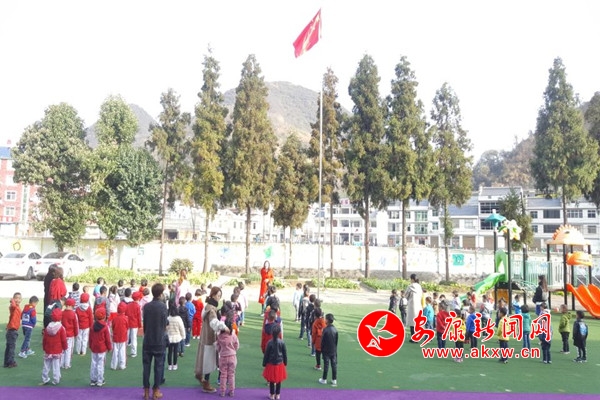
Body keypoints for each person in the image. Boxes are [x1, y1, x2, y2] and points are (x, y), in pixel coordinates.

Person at [194, 286, 228, 393]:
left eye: (220, 296)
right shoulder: (211, 309)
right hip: (209, 337)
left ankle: (200, 375)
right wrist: (224, 327)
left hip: (205, 335)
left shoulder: (207, 306)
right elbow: (214, 322)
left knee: (204, 358)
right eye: (218, 295)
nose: (219, 298)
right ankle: (206, 383)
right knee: (208, 360)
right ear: (213, 295)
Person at [142, 283, 168, 400]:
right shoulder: (163, 307)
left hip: (148, 339)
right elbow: (164, 324)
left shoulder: (146, 307)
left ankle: (146, 391)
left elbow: (145, 324)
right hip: (159, 340)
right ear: (161, 293)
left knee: (146, 367)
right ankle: (156, 390)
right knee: (158, 366)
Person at [216, 309, 239, 397]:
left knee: (223, 374)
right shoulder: (233, 335)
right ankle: (232, 391)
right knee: (231, 374)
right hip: (232, 356)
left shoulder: (219, 336)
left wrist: (220, 351)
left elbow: (218, 347)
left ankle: (222, 391)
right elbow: (237, 344)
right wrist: (234, 350)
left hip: (223, 356)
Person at [41, 308, 67, 385]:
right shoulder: (61, 328)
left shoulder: (47, 327)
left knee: (46, 365)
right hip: (57, 350)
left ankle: (45, 378)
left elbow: (44, 339)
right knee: (56, 365)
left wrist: (44, 347)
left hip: (48, 349)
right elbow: (63, 340)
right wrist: (65, 347)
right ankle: (56, 379)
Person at [262, 324, 287, 400]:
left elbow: (266, 354)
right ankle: (278, 394)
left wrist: (264, 363)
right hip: (279, 363)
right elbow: (284, 353)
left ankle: (272, 394)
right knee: (279, 380)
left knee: (271, 380)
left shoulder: (269, 342)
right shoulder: (282, 342)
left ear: (272, 333)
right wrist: (285, 362)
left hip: (271, 363)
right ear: (279, 333)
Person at [89, 307, 112, 386]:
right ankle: (100, 380)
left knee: (93, 364)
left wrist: (90, 345)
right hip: (102, 348)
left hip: (94, 348)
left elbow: (90, 337)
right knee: (100, 365)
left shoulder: (92, 326)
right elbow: (107, 339)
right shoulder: (105, 327)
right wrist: (109, 347)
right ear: (104, 316)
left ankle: (93, 379)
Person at [319, 313, 338, 387]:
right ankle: (334, 379)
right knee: (334, 365)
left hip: (326, 350)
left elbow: (322, 341)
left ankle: (324, 379)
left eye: (325, 319)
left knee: (326, 365)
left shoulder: (325, 330)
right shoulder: (335, 330)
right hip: (333, 350)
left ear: (327, 320)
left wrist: (322, 349)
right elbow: (336, 342)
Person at [166, 300, 185, 371]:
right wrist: (183, 336)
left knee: (169, 352)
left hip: (169, 337)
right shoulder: (178, 319)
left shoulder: (168, 318)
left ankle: (169, 365)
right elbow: (182, 328)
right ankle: (174, 364)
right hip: (177, 337)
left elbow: (166, 328)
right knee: (175, 351)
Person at [4, 292, 22, 368]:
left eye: (19, 298)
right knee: (11, 347)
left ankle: (6, 362)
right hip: (12, 330)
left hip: (12, 330)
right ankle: (10, 362)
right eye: (16, 298)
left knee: (9, 347)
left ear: (21, 300)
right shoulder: (13, 307)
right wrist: (12, 300)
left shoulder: (17, 307)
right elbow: (13, 306)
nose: (17, 299)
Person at [61, 298, 78, 369]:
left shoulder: (62, 313)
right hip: (70, 335)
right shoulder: (73, 314)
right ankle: (67, 364)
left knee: (62, 350)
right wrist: (76, 333)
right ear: (72, 306)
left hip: (63, 334)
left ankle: (61, 363)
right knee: (68, 350)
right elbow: (75, 325)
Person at [111, 302, 129, 370]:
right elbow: (127, 327)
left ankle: (113, 365)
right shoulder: (125, 318)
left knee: (115, 351)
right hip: (123, 337)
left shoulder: (115, 318)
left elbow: (113, 327)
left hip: (115, 337)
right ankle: (122, 365)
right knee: (122, 351)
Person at [405, 274, 423, 341]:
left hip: (412, 305)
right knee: (417, 322)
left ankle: (413, 338)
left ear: (412, 279)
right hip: (418, 305)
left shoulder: (410, 286)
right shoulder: (419, 286)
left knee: (412, 322)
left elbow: (406, 295)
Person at [127, 291, 143, 358]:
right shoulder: (137, 306)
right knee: (134, 338)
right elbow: (139, 316)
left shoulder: (129, 304)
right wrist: (140, 325)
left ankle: (124, 351)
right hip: (134, 323)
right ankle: (133, 352)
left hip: (128, 322)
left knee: (127, 337)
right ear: (138, 298)